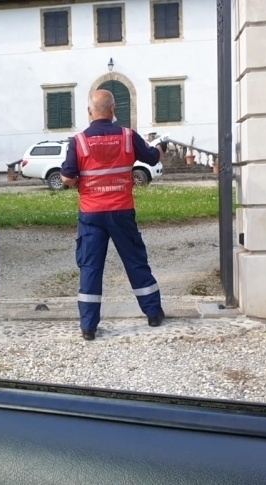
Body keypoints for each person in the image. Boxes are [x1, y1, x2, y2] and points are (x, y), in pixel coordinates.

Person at [60, 89, 166, 341]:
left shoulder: (79, 141)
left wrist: (81, 183)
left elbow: (66, 177)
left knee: (91, 268)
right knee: (135, 261)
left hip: (91, 214)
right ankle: (153, 314)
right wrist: (161, 147)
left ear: (89, 112)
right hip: (121, 211)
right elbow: (151, 158)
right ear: (114, 110)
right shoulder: (128, 136)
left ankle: (88, 327)